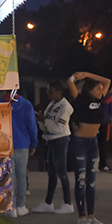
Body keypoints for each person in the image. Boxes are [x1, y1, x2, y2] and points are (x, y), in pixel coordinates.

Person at [67, 71, 111, 224]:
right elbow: (70, 82)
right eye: (97, 89)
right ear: (90, 90)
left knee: (92, 181)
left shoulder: (100, 100)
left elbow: (107, 81)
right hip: (79, 142)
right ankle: (82, 216)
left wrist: (88, 75)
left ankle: (92, 215)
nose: (101, 91)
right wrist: (78, 77)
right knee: (81, 179)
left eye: (101, 90)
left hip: (93, 143)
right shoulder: (80, 99)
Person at [32, 81, 74, 214]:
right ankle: (48, 202)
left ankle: (68, 203)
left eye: (51, 91)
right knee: (52, 173)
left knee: (61, 172)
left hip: (60, 141)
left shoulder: (65, 106)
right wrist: (41, 121)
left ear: (59, 91)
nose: (48, 94)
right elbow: (47, 125)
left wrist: (45, 120)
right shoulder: (52, 104)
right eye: (48, 91)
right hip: (50, 140)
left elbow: (60, 128)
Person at [2, 90, 38, 217]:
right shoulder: (25, 104)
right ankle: (21, 206)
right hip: (22, 143)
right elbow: (32, 126)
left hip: (4, 145)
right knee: (22, 175)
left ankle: (10, 207)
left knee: (8, 177)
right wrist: (34, 143)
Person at [97, 85, 112, 171]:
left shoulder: (101, 97)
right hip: (106, 122)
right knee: (105, 143)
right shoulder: (111, 98)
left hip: (99, 123)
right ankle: (103, 164)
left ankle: (98, 162)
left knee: (99, 143)